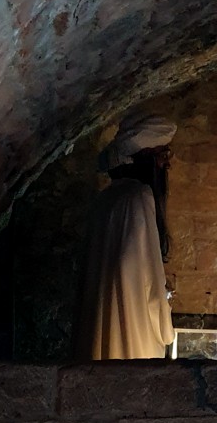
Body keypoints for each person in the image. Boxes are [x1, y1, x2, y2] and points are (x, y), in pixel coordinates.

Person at [74, 112, 177, 359]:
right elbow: (151, 284)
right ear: (146, 158)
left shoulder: (104, 200)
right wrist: (167, 331)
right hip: (133, 336)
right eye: (163, 155)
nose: (166, 164)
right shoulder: (139, 197)